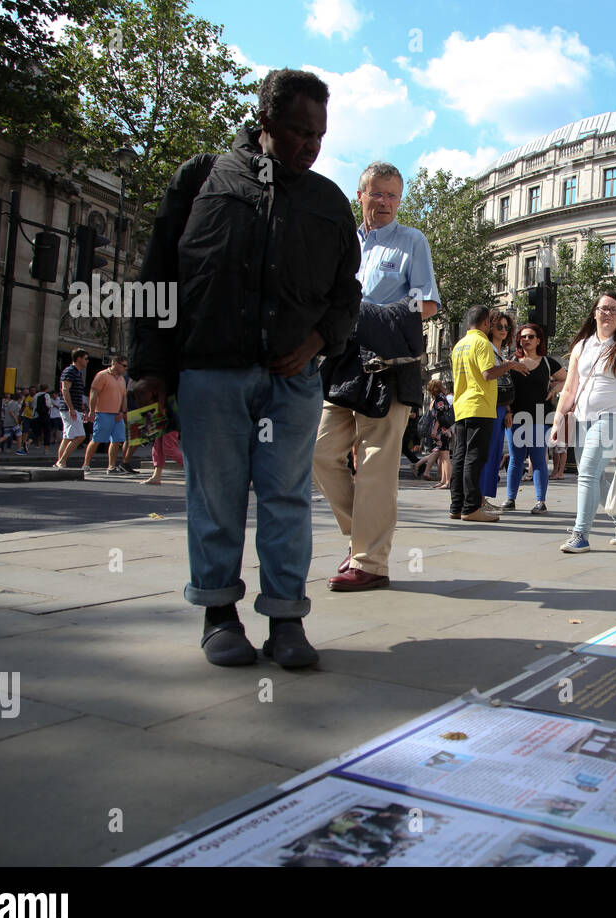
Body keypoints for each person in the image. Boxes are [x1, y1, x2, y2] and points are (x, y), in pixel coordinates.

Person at [131, 68, 360, 669]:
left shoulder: (329, 203)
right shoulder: (202, 179)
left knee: (286, 498)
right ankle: (218, 615)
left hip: (292, 379)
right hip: (211, 370)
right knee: (216, 497)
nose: (311, 145)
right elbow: (157, 277)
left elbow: (346, 297)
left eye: (320, 135)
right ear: (265, 123)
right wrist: (150, 368)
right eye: (299, 132)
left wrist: (315, 342)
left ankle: (286, 620)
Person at [313, 159, 438, 592]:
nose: (384, 202)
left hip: (387, 366)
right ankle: (360, 539)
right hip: (341, 362)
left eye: (393, 195)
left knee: (376, 464)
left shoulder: (412, 241)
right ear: (360, 195)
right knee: (320, 453)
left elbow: (427, 304)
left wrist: (368, 315)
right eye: (377, 193)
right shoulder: (342, 241)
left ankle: (370, 563)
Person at [550, 291, 616, 553]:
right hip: (582, 418)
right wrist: (558, 421)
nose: (608, 314)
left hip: (612, 417)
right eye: (603, 309)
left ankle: (581, 535)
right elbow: (569, 389)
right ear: (594, 312)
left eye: (614, 310)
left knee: (588, 472)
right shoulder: (582, 346)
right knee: (594, 476)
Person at [448, 305, 527, 522]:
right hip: (480, 405)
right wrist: (510, 365)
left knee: (460, 458)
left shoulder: (459, 345)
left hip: (461, 405)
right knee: (475, 457)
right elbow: (488, 373)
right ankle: (472, 507)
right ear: (485, 323)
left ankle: (457, 505)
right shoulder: (482, 343)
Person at [502, 321, 564, 514]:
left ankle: (540, 502)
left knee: (538, 460)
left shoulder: (548, 362)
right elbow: (503, 388)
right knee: (515, 459)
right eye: (523, 337)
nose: (526, 340)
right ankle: (510, 499)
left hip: (539, 417)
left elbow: (568, 378)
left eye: (530, 336)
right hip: (516, 417)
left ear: (538, 340)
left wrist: (554, 390)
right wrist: (507, 411)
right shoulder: (511, 362)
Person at [478, 311, 517, 509]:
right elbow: (491, 376)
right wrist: (510, 365)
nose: (503, 330)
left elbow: (505, 383)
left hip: (501, 407)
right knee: (487, 453)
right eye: (499, 326)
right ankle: (479, 499)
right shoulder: (488, 349)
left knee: (494, 454)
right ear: (489, 326)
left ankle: (484, 498)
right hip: (489, 406)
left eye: (506, 327)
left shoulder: (501, 352)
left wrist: (508, 410)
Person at [82, 356, 129, 475]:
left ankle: (111, 467)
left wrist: (122, 412)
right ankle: (86, 464)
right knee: (97, 439)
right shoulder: (102, 375)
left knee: (116, 441)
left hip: (117, 415)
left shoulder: (122, 379)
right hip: (103, 412)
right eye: (124, 365)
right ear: (115, 363)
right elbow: (93, 393)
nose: (125, 368)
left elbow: (124, 397)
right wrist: (92, 411)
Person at [54, 349, 89, 468]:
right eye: (85, 358)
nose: (87, 361)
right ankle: (61, 460)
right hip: (70, 409)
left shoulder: (77, 373)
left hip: (75, 409)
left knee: (67, 437)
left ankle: (60, 462)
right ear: (78, 358)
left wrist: (82, 409)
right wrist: (71, 408)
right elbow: (65, 389)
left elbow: (77, 393)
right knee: (80, 436)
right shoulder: (70, 371)